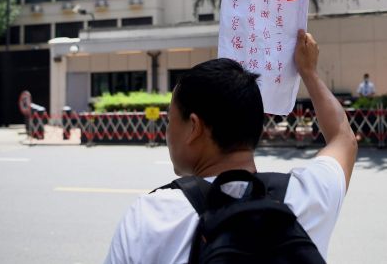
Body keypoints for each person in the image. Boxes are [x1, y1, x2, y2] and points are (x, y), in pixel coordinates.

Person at [104, 29, 357, 263]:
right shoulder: (307, 194)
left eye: (170, 120)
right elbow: (342, 137)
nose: (167, 131)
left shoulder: (150, 217)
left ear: (194, 126)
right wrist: (308, 72)